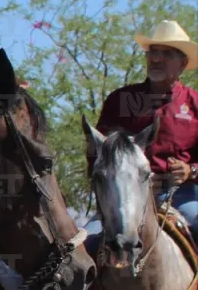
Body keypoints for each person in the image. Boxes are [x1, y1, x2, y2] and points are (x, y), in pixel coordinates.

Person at [84, 20, 198, 252]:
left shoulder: (195, 103)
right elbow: (96, 154)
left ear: (182, 63)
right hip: (122, 195)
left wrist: (190, 170)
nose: (156, 59)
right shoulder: (120, 100)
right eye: (152, 52)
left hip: (180, 194)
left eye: (166, 54)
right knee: (83, 245)